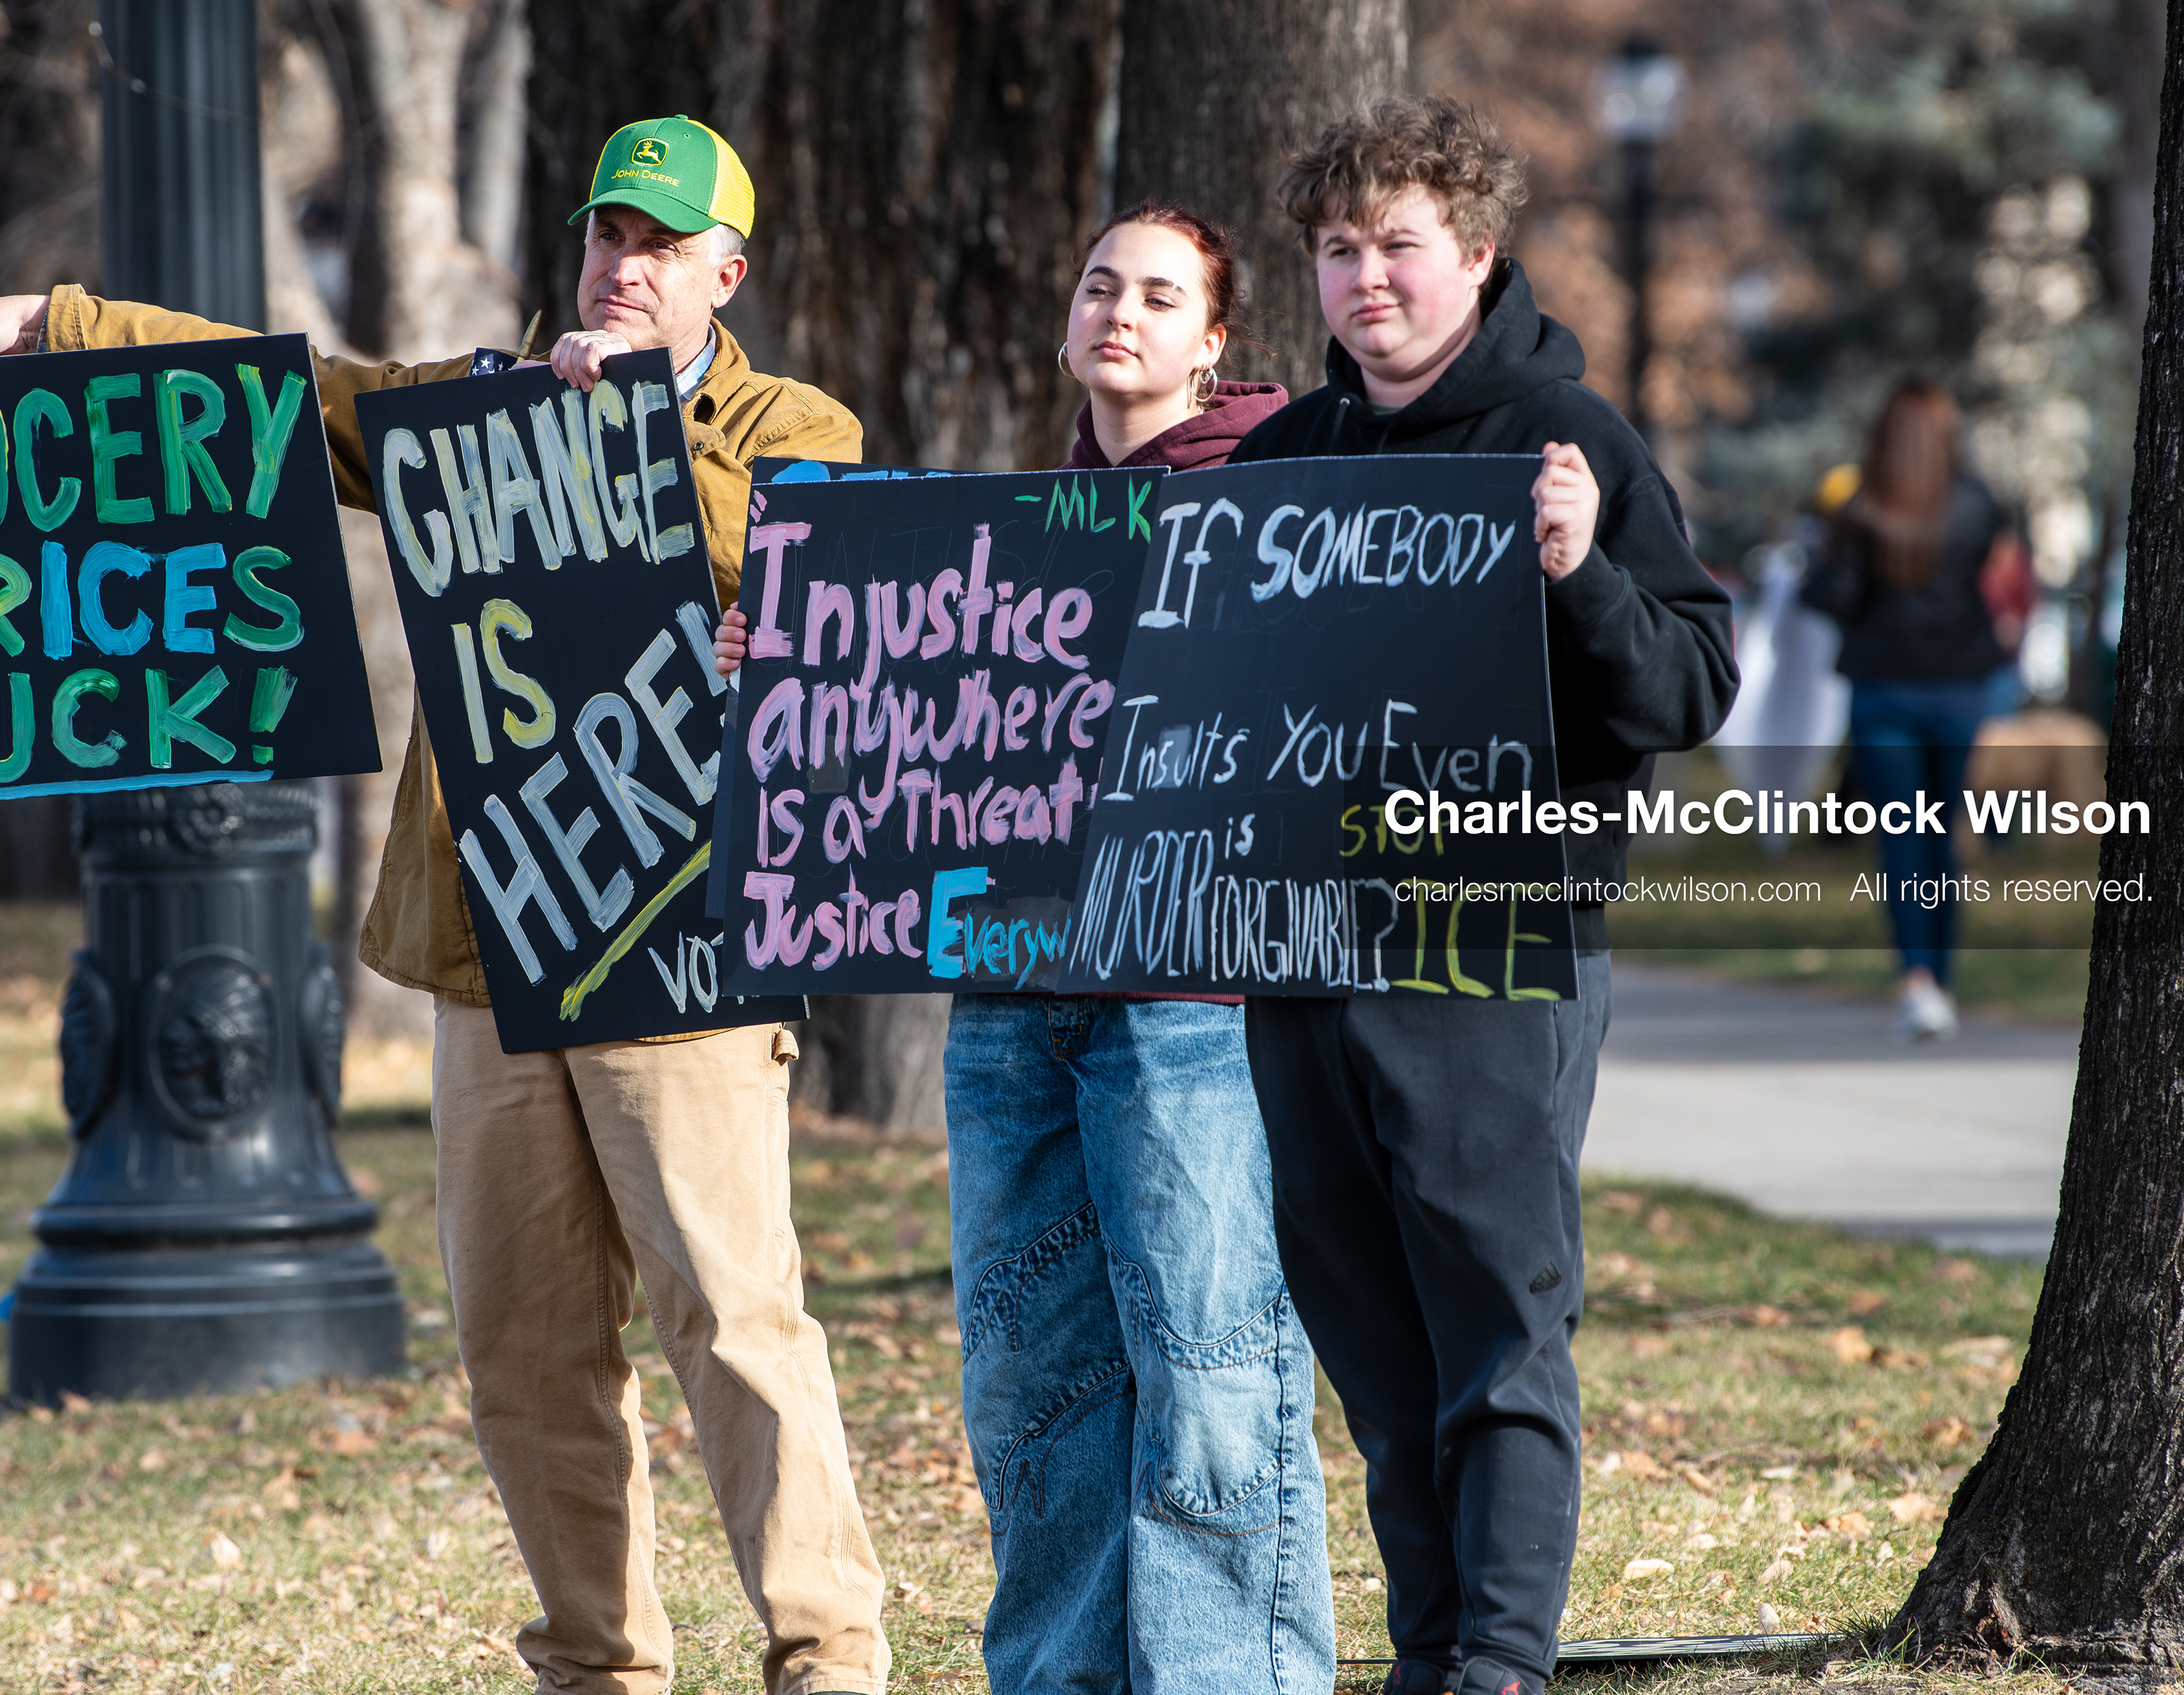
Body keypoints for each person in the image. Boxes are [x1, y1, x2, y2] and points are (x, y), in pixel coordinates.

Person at [0, 115, 891, 1695]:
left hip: (677, 943)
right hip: (490, 942)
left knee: (733, 1316)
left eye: (657, 244)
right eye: (603, 237)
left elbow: (773, 564)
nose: (621, 266)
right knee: (523, 1344)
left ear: (726, 270)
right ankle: (596, 1662)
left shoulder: (791, 423)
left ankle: (825, 1654)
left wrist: (612, 425)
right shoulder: (484, 409)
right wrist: (57, 323)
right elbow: (292, 390)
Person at [727, 201, 1331, 1694]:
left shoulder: (1277, 490)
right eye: (1099, 285)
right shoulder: (1002, 533)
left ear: (1212, 342)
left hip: (1187, 1009)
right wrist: (789, 654)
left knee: (1206, 1375)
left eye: (1161, 295)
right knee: (1032, 1386)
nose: (1121, 311)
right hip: (1009, 1004)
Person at [1226, 95, 1738, 1695]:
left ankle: (1503, 1656)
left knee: (1494, 1320)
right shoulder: (1280, 458)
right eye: (1335, 249)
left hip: (1493, 949)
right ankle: (1429, 1644)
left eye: (1397, 245)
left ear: (1474, 255)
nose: (1365, 278)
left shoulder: (1567, 436)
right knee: (1371, 1336)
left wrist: (1579, 571)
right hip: (1305, 952)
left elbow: (1688, 689)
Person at [1801, 379, 2018, 1040]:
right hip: (1961, 687)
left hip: (1885, 691)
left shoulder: (1864, 507)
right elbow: (1994, 573)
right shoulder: (1978, 504)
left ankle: (1917, 982)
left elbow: (1832, 597)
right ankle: (1942, 981)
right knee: (1944, 835)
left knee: (1902, 836)